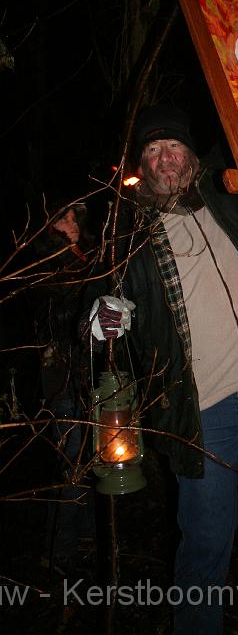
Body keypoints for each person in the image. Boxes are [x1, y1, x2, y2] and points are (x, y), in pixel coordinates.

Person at [92, 104, 238, 635]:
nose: (164, 157)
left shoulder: (234, 199)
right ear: (142, 167)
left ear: (193, 157)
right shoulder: (132, 236)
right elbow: (104, 299)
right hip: (204, 412)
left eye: (173, 146)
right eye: (152, 151)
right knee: (205, 547)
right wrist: (104, 313)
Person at [31, 201, 96, 571]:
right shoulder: (45, 266)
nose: (71, 224)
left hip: (89, 377)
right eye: (62, 218)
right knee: (72, 462)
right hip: (62, 379)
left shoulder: (85, 258)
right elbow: (64, 313)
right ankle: (58, 550)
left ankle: (85, 535)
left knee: (90, 457)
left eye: (74, 218)